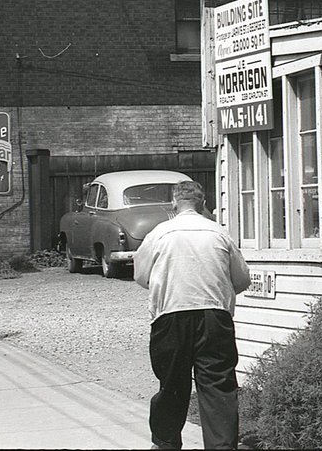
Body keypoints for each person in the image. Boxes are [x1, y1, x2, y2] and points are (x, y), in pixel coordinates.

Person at [134, 180, 251, 450]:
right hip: (214, 316)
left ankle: (166, 443)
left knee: (172, 383)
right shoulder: (219, 233)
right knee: (218, 384)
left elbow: (141, 276)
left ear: (174, 204)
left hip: (170, 315)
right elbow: (242, 279)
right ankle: (222, 446)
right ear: (203, 204)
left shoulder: (160, 233)